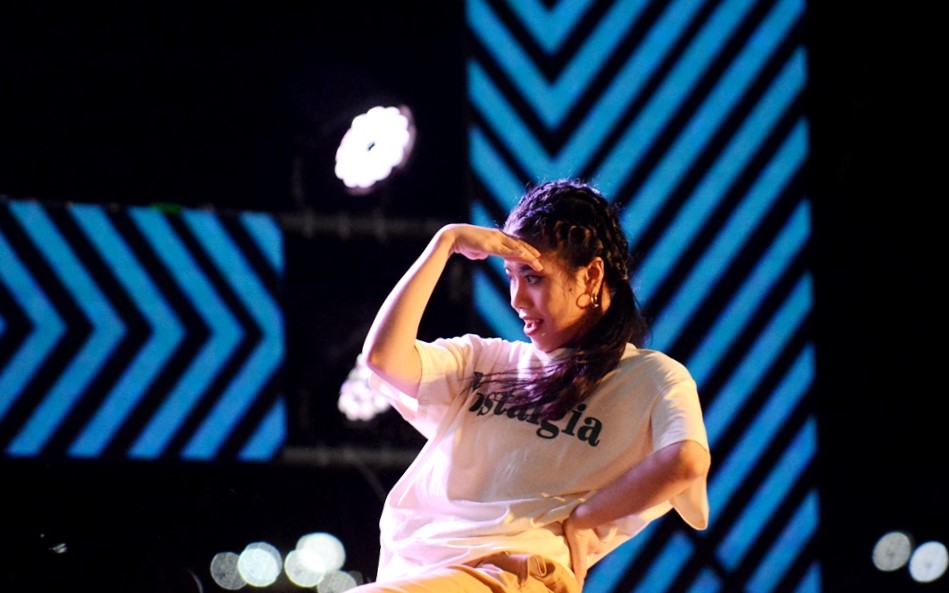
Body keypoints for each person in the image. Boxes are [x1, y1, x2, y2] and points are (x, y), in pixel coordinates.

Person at [354, 179, 711, 592]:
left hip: (515, 573)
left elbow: (686, 461)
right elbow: (383, 357)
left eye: (533, 277)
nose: (516, 298)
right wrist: (445, 243)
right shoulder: (486, 360)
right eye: (511, 276)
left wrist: (583, 519)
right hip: (419, 572)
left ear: (592, 276)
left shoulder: (650, 376)